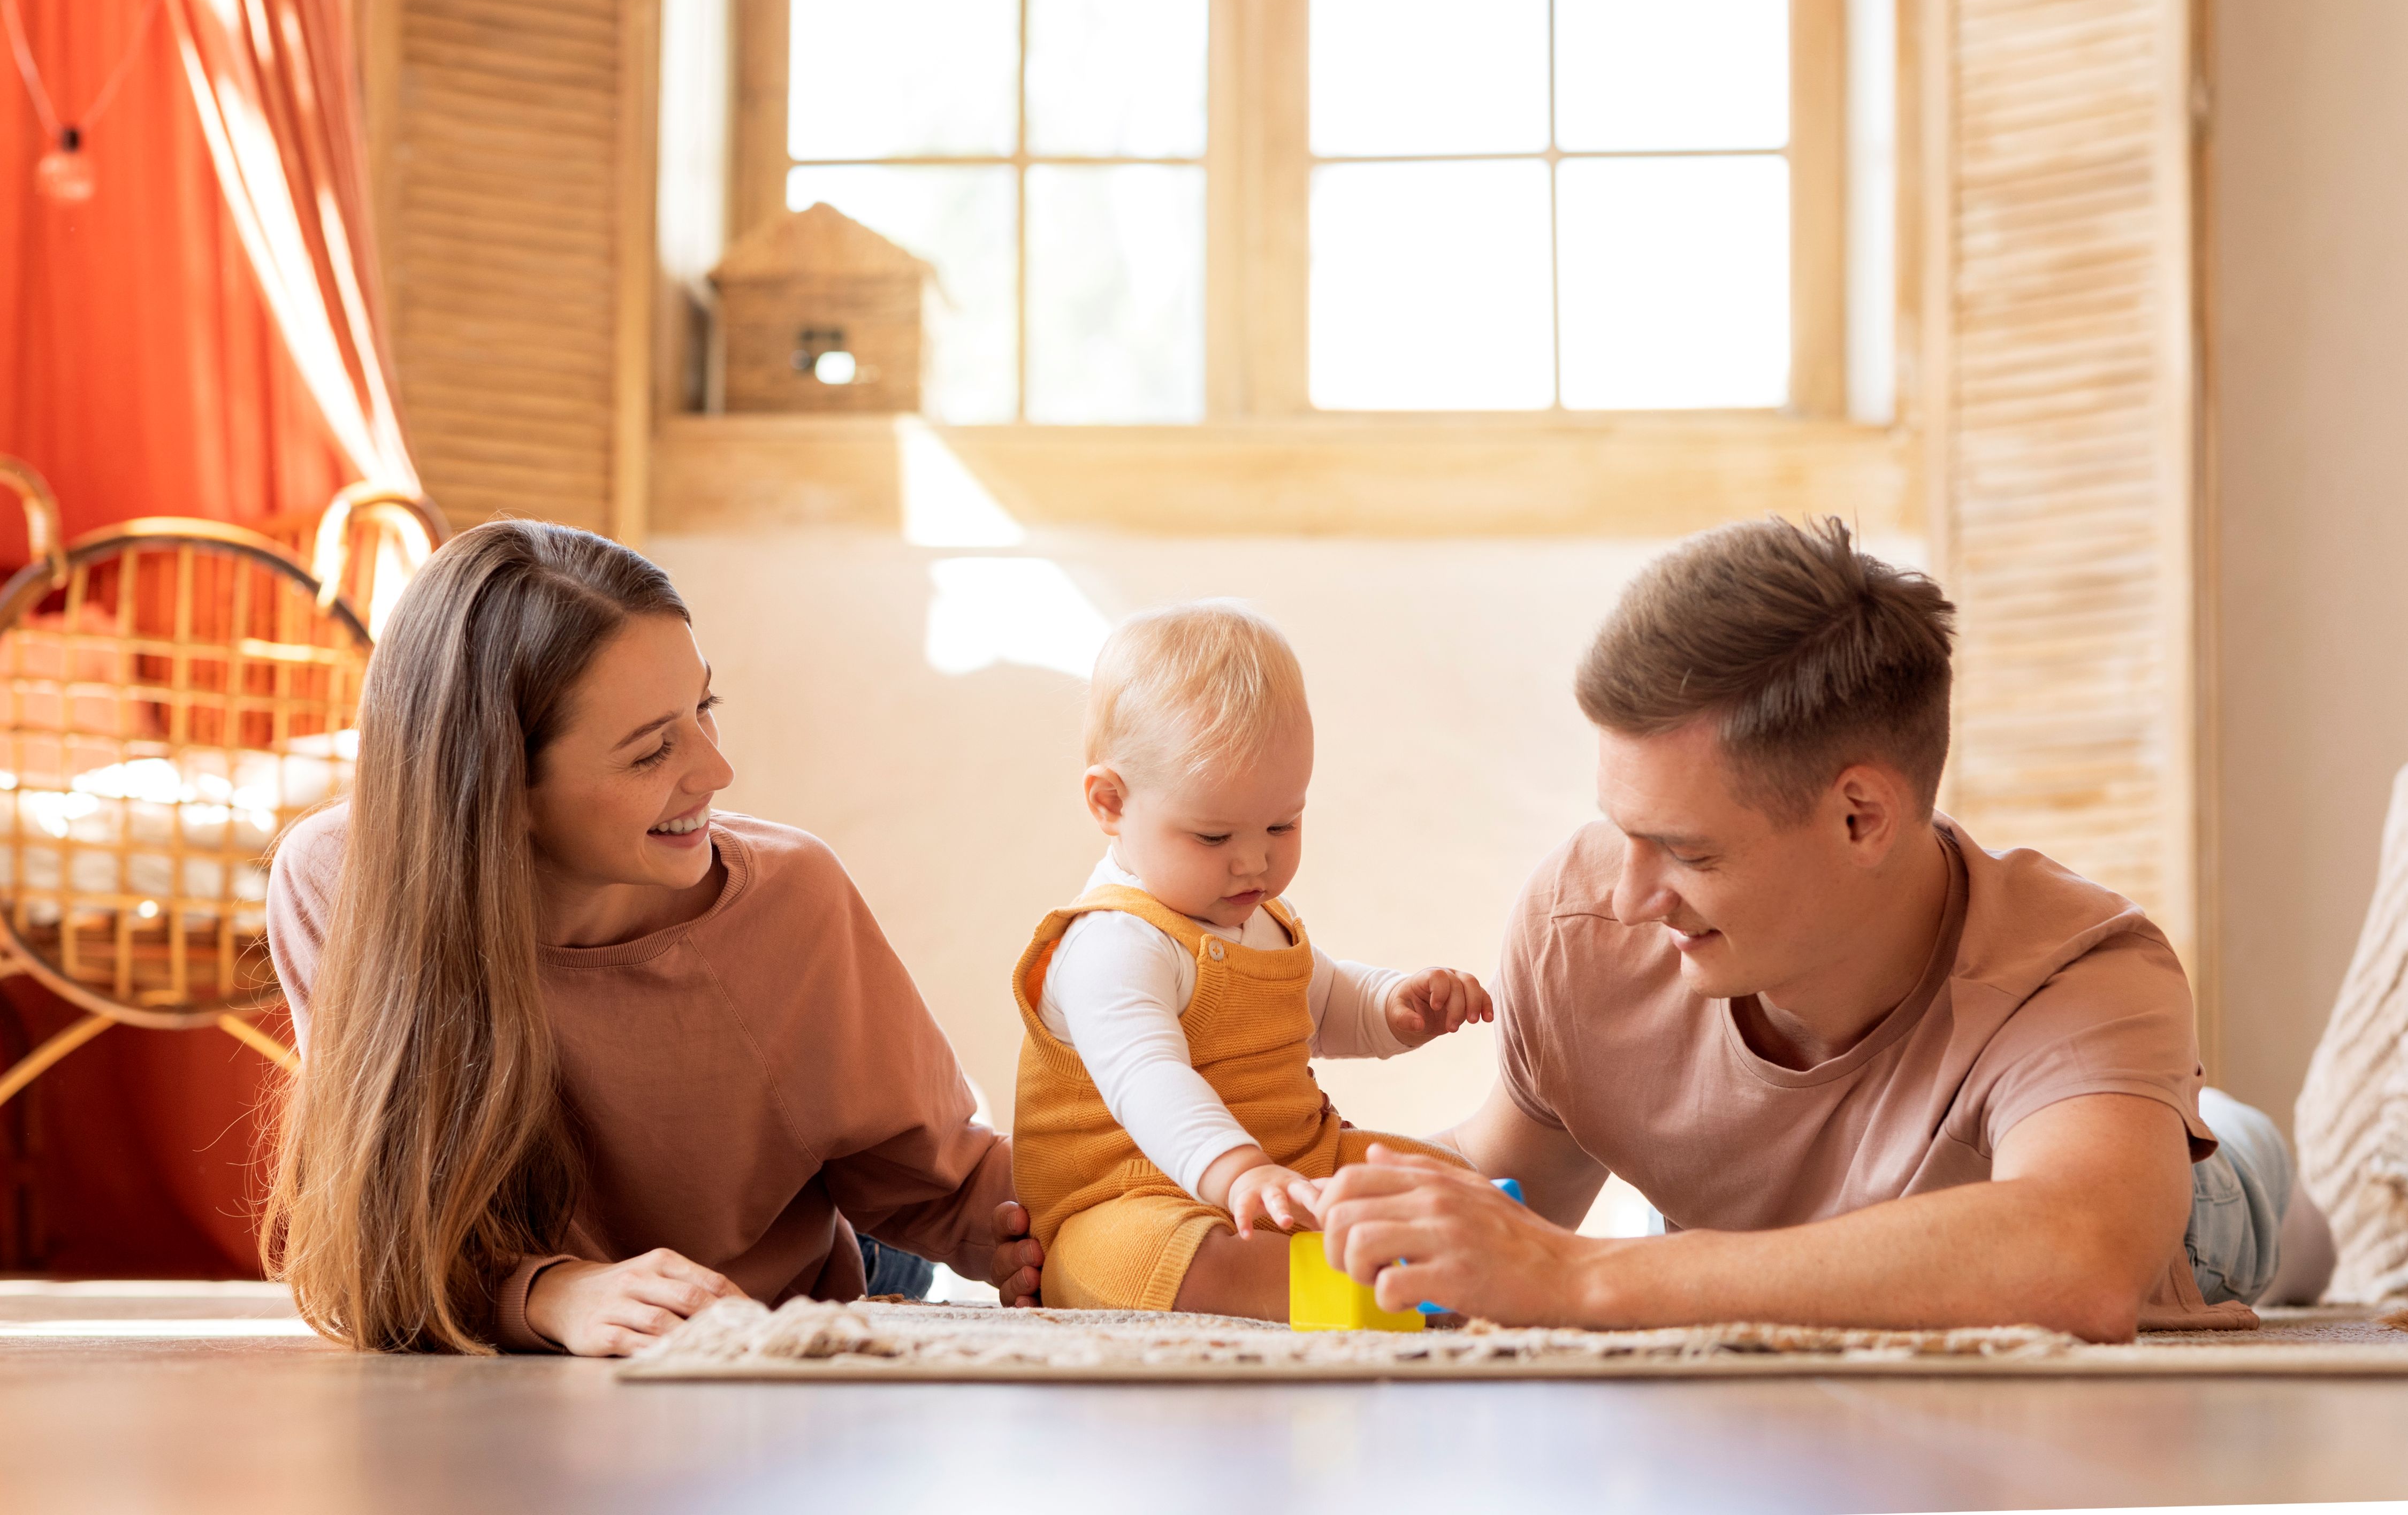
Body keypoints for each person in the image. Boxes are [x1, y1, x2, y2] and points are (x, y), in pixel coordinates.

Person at [1313, 517, 2311, 1340]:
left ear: (1860, 818)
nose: (1628, 897)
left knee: (2250, 1168)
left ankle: (2222, 1134)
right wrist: (1259, 1177)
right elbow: (1507, 1181)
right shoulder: (1583, 925)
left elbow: (2079, 1263)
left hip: (2177, 1206)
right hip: (1791, 1231)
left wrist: (1589, 1282)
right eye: (1623, 832)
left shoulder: (2080, 976)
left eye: (1689, 853)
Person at [261, 521, 1039, 1355]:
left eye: (703, 708)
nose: (716, 772)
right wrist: (548, 1294)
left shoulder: (790, 892)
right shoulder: (339, 881)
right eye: (650, 753)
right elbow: (379, 1233)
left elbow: (937, 1182)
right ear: (497, 788)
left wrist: (1144, 1199)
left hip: (818, 1252)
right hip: (619, 1296)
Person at [1008, 601, 1491, 1319]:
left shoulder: (1257, 919)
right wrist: (1238, 1174)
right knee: (1187, 1263)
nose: (1255, 861)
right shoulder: (1112, 943)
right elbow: (1149, 1079)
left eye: (1281, 824)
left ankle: (1450, 1269)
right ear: (1110, 803)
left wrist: (1397, 1004)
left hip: (1289, 1170)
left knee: (1448, 1183)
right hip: (1133, 1203)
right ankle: (1381, 1294)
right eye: (1212, 836)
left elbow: (1325, 1004)